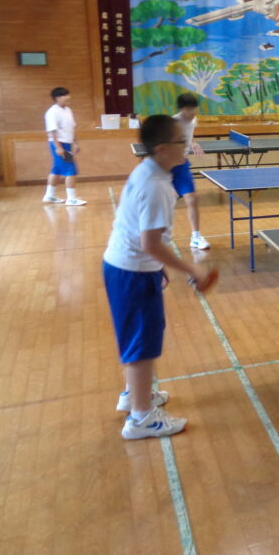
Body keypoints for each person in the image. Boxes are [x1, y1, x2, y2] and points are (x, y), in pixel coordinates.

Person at [104, 114, 212, 439]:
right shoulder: (156, 187)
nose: (187, 147)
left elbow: (142, 234)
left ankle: (134, 395)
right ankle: (141, 420)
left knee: (141, 336)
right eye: (181, 142)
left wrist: (159, 266)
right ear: (162, 148)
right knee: (142, 343)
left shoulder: (149, 171)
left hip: (127, 267)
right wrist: (193, 268)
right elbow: (150, 243)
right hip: (132, 272)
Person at [174, 94, 209, 250]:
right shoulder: (173, 123)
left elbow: (189, 135)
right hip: (166, 167)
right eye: (188, 109)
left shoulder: (194, 120)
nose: (192, 112)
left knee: (192, 199)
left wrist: (193, 143)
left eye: (194, 108)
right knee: (163, 202)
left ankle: (195, 237)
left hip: (182, 165)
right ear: (181, 109)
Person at [43, 86, 86, 206]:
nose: (68, 97)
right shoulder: (52, 112)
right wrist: (58, 147)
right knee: (70, 170)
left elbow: (71, 128)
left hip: (67, 143)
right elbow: (52, 131)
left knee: (56, 170)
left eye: (68, 94)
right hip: (59, 144)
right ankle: (71, 198)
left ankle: (49, 196)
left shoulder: (68, 110)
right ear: (57, 98)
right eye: (64, 95)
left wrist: (75, 143)